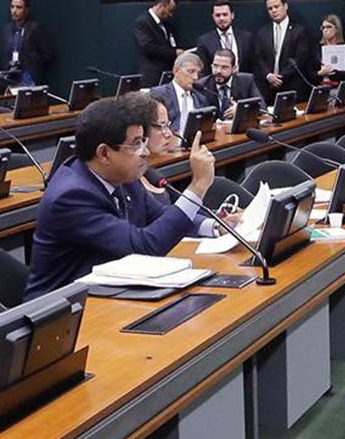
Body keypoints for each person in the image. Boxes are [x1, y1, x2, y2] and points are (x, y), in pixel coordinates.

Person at [23, 94, 217, 300]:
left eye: (144, 141)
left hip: (111, 293)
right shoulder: (71, 197)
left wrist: (213, 226)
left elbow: (161, 215)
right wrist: (197, 187)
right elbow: (144, 247)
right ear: (104, 153)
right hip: (61, 312)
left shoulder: (122, 176)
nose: (144, 152)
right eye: (135, 144)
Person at [257, 0, 316, 95]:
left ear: (285, 6)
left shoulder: (299, 31)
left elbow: (300, 60)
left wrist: (279, 78)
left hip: (292, 87)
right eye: (270, 8)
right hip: (268, 88)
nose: (273, 11)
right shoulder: (262, 33)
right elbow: (259, 58)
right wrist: (269, 76)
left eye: (276, 6)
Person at [144, 50, 209, 134]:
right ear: (176, 71)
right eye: (191, 71)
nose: (195, 77)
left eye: (198, 73)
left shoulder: (201, 98)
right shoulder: (159, 94)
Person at [133, 0, 181, 84]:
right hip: (152, 76)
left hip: (168, 75)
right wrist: (174, 53)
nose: (171, 15)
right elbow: (148, 47)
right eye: (170, 11)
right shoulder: (142, 22)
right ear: (161, 6)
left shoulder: (167, 24)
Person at [4, 0, 51, 86]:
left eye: (19, 7)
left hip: (29, 78)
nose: (14, 11)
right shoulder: (7, 29)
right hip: (11, 77)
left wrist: (30, 60)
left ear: (26, 10)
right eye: (12, 7)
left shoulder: (34, 29)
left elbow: (47, 54)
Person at [195, 0, 245, 75]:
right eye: (218, 15)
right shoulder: (204, 41)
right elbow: (204, 71)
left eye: (225, 14)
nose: (221, 18)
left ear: (232, 15)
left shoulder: (246, 38)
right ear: (213, 17)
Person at [205, 47, 256, 119]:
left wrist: (241, 110)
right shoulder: (203, 86)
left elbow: (261, 107)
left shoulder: (246, 81)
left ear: (234, 68)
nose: (218, 71)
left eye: (224, 67)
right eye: (215, 66)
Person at [314, 15, 345, 85]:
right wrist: (319, 73)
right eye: (323, 27)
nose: (325, 30)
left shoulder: (344, 49)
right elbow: (310, 73)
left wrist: (334, 72)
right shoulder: (317, 49)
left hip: (339, 86)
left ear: (337, 28)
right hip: (322, 87)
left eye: (329, 27)